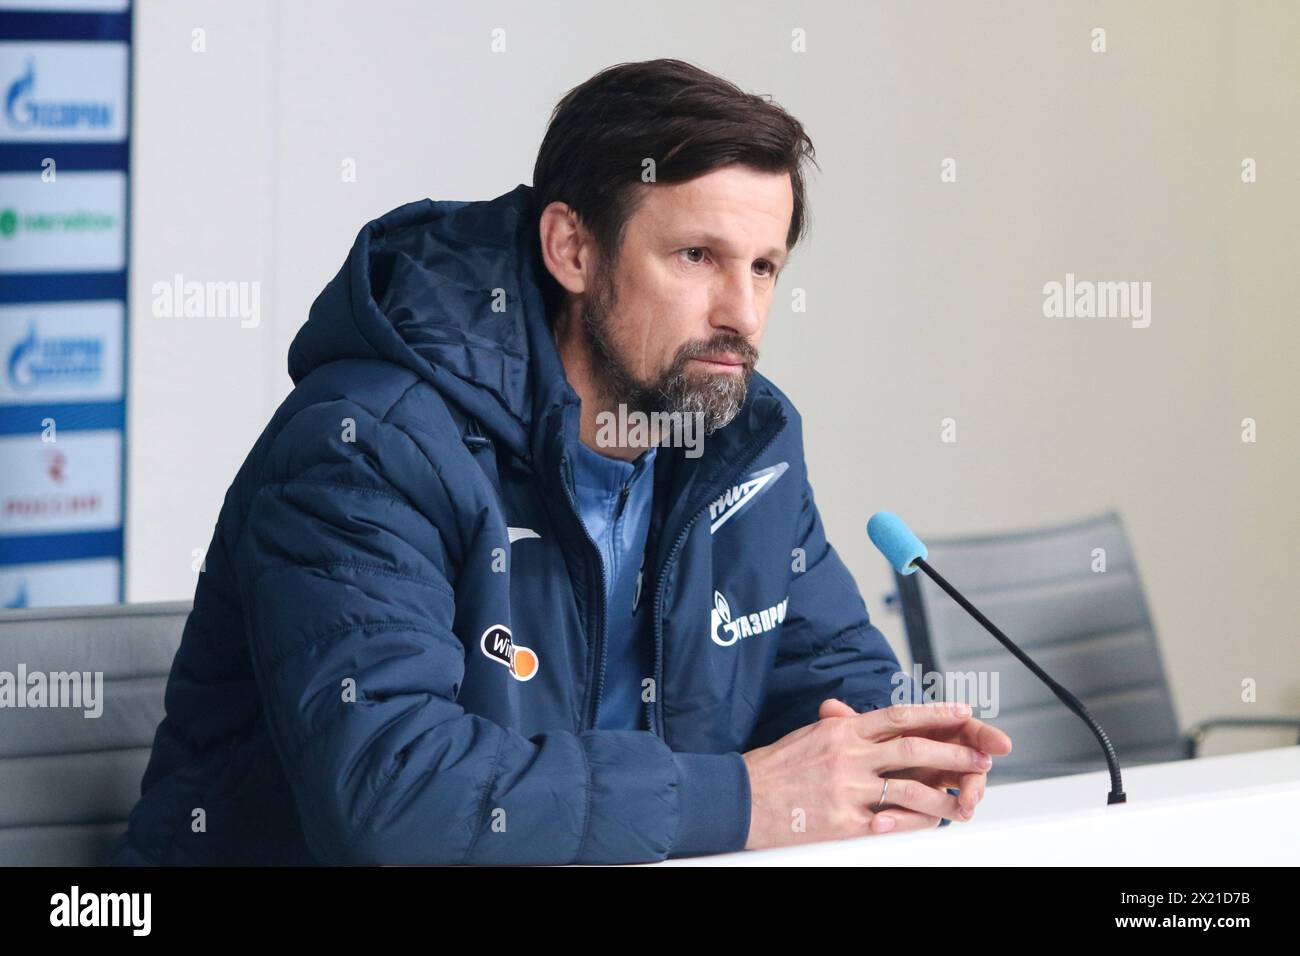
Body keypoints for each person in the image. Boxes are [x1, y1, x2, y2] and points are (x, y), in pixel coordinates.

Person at [111, 58, 1010, 866]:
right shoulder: (367, 445)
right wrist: (746, 799)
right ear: (573, 250)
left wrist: (902, 768)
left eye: (766, 267)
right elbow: (392, 793)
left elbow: (834, 698)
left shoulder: (743, 443)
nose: (742, 311)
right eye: (697, 256)